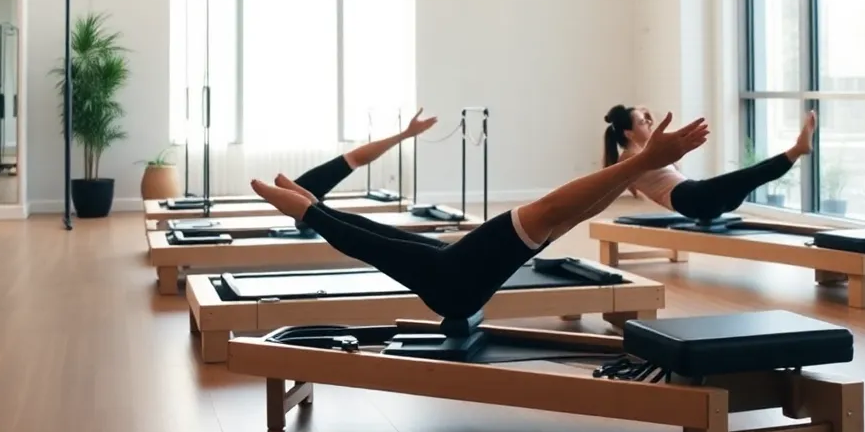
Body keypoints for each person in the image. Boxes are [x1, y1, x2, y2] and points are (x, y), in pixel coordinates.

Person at [250, 111, 711, 321]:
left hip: (451, 280)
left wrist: (315, 211)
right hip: (452, 282)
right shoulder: (439, 273)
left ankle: (313, 209)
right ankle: (313, 209)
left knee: (558, 219)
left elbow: (368, 238)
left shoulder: (437, 270)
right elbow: (364, 241)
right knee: (552, 216)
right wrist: (313, 212)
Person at [603, 104, 815, 221]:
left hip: (694, 197)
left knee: (751, 175)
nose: (649, 123)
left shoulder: (646, 152)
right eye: (642, 122)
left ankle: (797, 149)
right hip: (689, 198)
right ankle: (797, 149)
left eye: (647, 119)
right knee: (752, 175)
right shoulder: (630, 158)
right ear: (628, 133)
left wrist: (643, 114)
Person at [289, 108, 439, 204]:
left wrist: (406, 134)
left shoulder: (298, 191)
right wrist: (406, 134)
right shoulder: (296, 193)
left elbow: (354, 159)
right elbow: (355, 158)